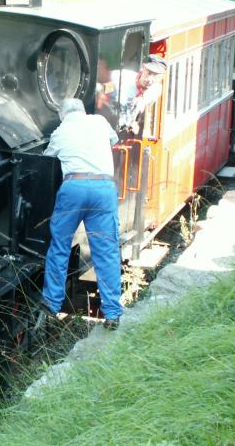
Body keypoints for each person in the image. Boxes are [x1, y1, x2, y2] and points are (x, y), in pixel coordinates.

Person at [40, 98, 122, 330]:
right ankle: (113, 313)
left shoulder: (60, 131)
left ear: (62, 115)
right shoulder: (99, 121)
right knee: (106, 251)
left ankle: (52, 304)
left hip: (73, 188)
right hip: (103, 188)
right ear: (83, 111)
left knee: (60, 246)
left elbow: (47, 158)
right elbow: (114, 140)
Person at [96, 55, 167, 134]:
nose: (150, 79)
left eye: (156, 76)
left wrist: (132, 122)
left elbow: (142, 105)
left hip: (122, 131)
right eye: (149, 72)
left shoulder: (156, 90)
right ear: (143, 67)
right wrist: (103, 93)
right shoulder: (121, 78)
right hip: (104, 126)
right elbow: (102, 88)